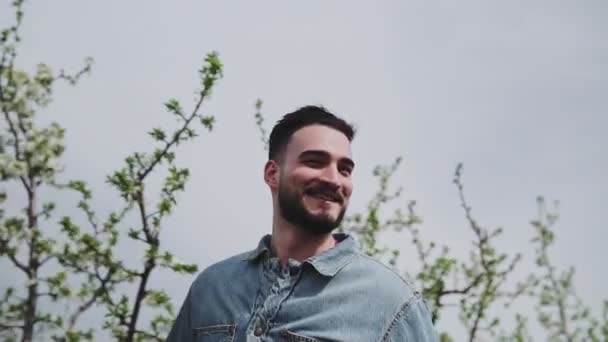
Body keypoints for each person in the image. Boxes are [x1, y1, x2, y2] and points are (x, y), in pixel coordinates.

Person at [167, 105, 437, 341]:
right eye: (315, 162)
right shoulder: (213, 287)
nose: (334, 179)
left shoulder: (393, 304)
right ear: (273, 174)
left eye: (344, 169)